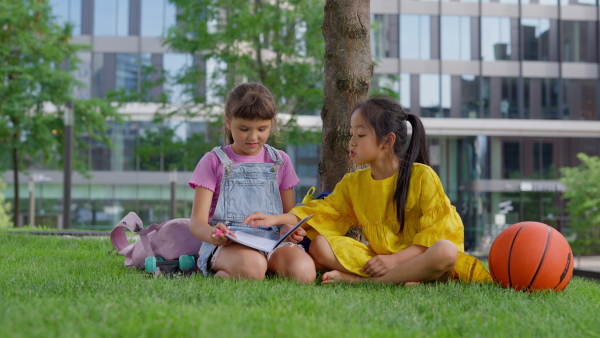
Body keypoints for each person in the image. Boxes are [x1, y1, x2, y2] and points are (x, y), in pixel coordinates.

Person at [243, 96, 492, 285]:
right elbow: (323, 211)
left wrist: (394, 260)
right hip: (377, 258)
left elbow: (440, 233)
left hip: (419, 259)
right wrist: (276, 218)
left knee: (445, 250)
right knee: (320, 245)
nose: (352, 141)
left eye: (360, 134)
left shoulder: (421, 176)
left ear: (388, 141)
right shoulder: (354, 182)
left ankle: (367, 282)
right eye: (352, 133)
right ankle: (402, 279)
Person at [188, 82, 316, 283]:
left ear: (271, 124)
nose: (253, 137)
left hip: (272, 242)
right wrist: (212, 235)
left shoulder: (280, 161)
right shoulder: (212, 161)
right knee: (253, 268)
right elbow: (197, 223)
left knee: (304, 272)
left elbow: (289, 216)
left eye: (262, 129)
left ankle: (247, 271)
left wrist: (289, 230)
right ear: (228, 122)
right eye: (244, 128)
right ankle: (229, 272)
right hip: (228, 245)